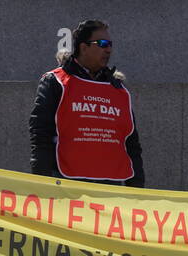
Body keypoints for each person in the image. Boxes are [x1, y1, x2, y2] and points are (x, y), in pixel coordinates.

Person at [29, 18, 145, 187]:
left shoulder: (117, 88)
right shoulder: (55, 81)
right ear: (84, 47)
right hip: (66, 185)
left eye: (110, 44)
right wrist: (42, 184)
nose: (109, 49)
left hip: (109, 188)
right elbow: (40, 135)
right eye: (103, 43)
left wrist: (137, 191)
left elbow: (131, 144)